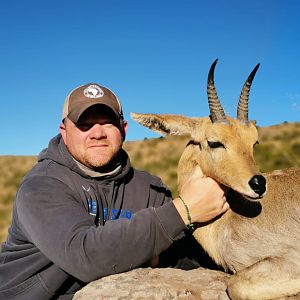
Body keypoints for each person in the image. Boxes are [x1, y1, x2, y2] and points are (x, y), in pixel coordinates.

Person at [0, 83, 229, 299]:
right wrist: (183, 210)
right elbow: (86, 256)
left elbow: (183, 257)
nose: (97, 133)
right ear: (64, 131)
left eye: (107, 122)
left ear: (123, 129)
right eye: (84, 124)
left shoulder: (150, 188)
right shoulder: (42, 186)